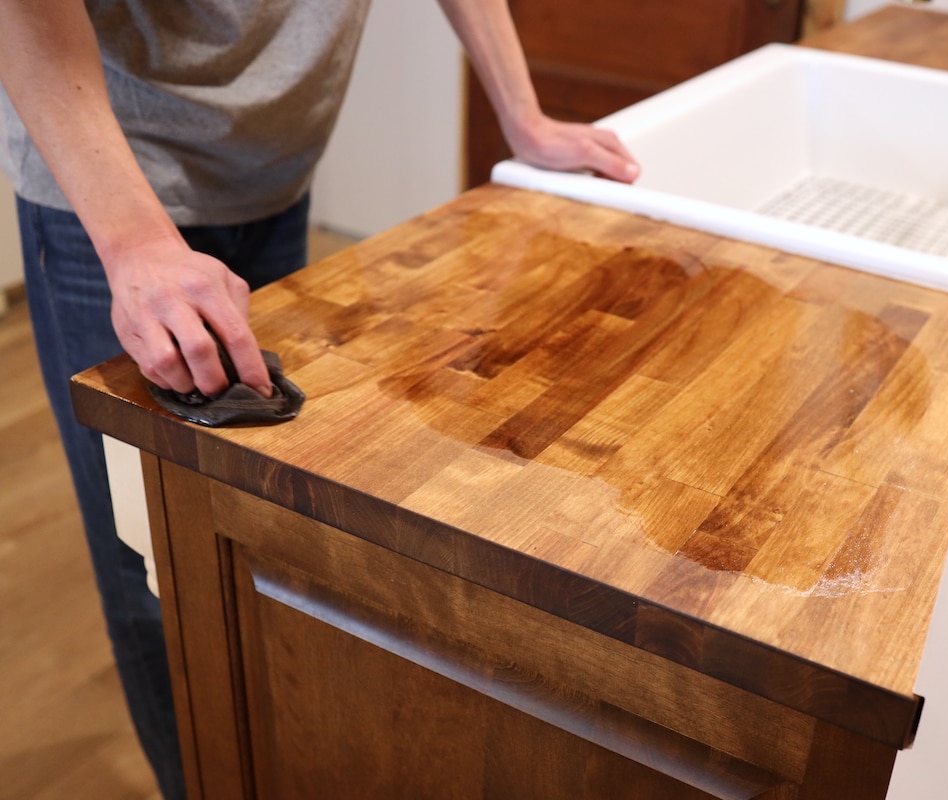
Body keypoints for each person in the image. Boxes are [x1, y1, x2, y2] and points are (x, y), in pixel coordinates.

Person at [0, 1, 639, 797]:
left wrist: (522, 110)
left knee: (258, 528)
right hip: (109, 180)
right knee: (155, 554)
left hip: (275, 166)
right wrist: (133, 238)